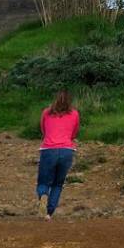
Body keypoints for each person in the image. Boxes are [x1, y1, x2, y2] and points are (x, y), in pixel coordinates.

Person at [37, 90, 80, 220]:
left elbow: (43, 130)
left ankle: (43, 195)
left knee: (43, 182)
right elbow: (74, 133)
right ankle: (49, 213)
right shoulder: (75, 114)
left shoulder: (46, 112)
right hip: (67, 150)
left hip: (48, 149)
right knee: (57, 183)